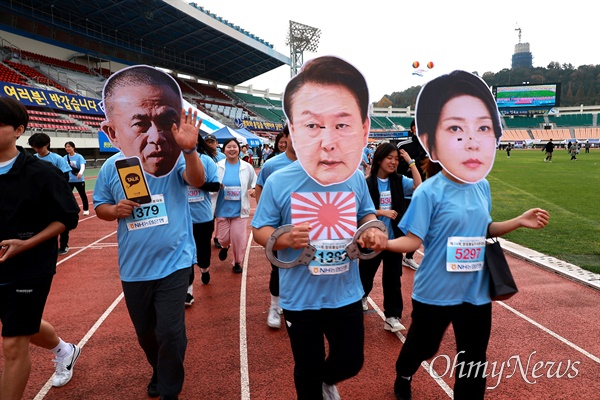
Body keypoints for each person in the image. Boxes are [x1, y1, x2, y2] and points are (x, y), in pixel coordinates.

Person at [383, 70, 550, 400]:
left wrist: (518, 220)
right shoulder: (429, 192)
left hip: (475, 290)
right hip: (436, 291)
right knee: (425, 345)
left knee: (474, 360)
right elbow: (413, 242)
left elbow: (485, 229)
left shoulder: (482, 187)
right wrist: (383, 243)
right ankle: (404, 373)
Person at [252, 56, 388, 399]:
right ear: (293, 130)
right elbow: (259, 230)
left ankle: (328, 379)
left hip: (345, 292)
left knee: (351, 361)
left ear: (362, 129)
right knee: (307, 370)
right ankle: (315, 385)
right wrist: (281, 237)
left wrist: (373, 230)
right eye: (312, 125)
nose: (327, 140)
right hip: (300, 298)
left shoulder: (355, 178)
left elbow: (367, 215)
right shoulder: (280, 180)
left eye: (342, 125)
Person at [93, 65, 206, 400]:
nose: (156, 136)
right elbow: (100, 207)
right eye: (140, 124)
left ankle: (170, 388)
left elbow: (198, 182)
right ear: (112, 132)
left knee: (171, 332)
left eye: (166, 123)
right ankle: (158, 368)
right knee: (147, 334)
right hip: (134, 269)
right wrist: (115, 210)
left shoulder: (178, 162)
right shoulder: (112, 169)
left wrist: (189, 149)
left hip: (175, 263)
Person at [0, 97, 81, 399]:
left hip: (29, 266)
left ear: (18, 129)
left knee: (13, 342)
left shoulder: (42, 173)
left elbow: (67, 218)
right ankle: (65, 349)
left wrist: (26, 243)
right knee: (22, 324)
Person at [359, 143, 421, 333]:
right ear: (379, 159)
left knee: (393, 278)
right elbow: (359, 209)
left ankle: (392, 316)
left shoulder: (399, 181)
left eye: (396, 158)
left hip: (393, 240)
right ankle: (362, 296)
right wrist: (380, 212)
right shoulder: (366, 183)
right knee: (365, 275)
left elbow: (419, 187)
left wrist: (411, 163)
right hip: (371, 240)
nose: (394, 162)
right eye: (390, 158)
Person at [254, 125, 296, 329]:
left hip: (308, 232)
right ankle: (274, 305)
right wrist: (265, 213)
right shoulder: (272, 165)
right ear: (285, 137)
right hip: (280, 232)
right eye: (293, 134)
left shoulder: (317, 165)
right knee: (278, 269)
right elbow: (260, 185)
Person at [185, 134, 221, 306]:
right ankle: (188, 291)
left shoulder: (206, 160)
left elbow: (215, 185)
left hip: (203, 217)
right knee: (186, 254)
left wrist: (197, 182)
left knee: (202, 252)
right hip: (182, 218)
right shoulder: (174, 162)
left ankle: (205, 269)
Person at [215, 138, 257, 274]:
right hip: (222, 209)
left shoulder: (247, 167)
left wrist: (253, 190)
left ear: (239, 149)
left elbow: (254, 183)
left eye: (234, 147)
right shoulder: (217, 166)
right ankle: (225, 246)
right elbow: (210, 182)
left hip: (240, 210)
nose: (232, 149)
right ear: (224, 150)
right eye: (229, 147)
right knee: (223, 238)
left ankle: (237, 262)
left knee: (238, 238)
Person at [28, 133, 74, 255]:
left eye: (39, 146)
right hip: (38, 198)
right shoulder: (31, 159)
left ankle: (64, 245)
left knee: (61, 221)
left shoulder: (57, 159)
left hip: (56, 196)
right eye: (34, 147)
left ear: (47, 144)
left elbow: (66, 176)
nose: (37, 149)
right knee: (42, 223)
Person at [397, 119, 427, 270]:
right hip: (405, 193)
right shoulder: (403, 146)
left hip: (424, 193)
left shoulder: (429, 146)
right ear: (413, 128)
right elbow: (396, 167)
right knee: (399, 228)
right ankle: (393, 256)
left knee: (420, 227)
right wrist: (411, 167)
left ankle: (408, 257)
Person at [203, 133, 226, 248]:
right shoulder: (202, 156)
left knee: (221, 216)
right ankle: (208, 236)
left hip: (222, 191)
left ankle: (218, 237)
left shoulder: (223, 156)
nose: (210, 144)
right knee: (210, 216)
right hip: (208, 191)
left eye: (212, 142)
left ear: (217, 143)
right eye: (208, 142)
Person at [64, 141, 90, 216]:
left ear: (73, 147)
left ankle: (86, 209)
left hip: (79, 180)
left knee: (82, 195)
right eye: (66, 147)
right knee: (67, 196)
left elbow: (82, 165)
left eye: (69, 146)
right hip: (69, 180)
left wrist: (80, 173)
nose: (67, 148)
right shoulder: (65, 157)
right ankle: (69, 209)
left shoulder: (79, 156)